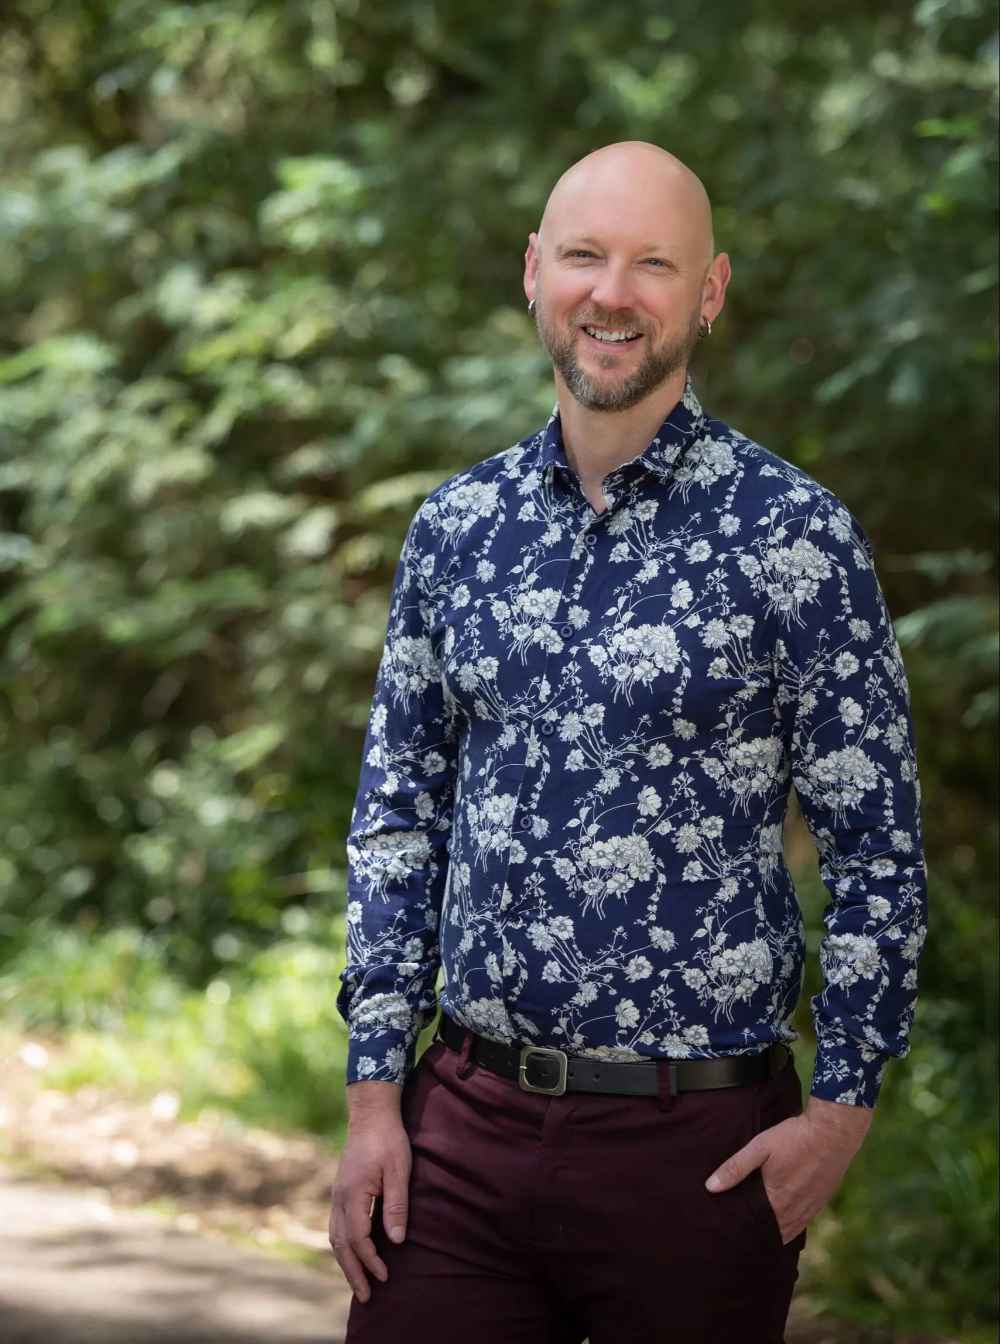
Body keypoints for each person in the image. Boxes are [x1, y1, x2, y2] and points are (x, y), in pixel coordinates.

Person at [329, 141, 928, 1343]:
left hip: (695, 1158)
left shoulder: (795, 538)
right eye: (586, 256)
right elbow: (400, 818)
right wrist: (373, 1098)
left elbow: (878, 852)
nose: (614, 293)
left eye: (653, 263)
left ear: (706, 294)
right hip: (463, 1134)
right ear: (534, 272)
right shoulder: (457, 530)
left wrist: (843, 1109)